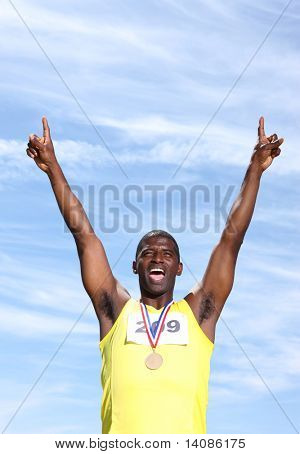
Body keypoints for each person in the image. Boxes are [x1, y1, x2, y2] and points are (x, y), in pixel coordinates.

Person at [26, 116, 284, 434]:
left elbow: (231, 239)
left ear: (178, 267)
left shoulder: (199, 314)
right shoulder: (116, 310)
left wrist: (255, 169)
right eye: (147, 253)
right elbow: (84, 235)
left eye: (166, 253)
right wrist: (52, 167)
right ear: (135, 266)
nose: (156, 257)